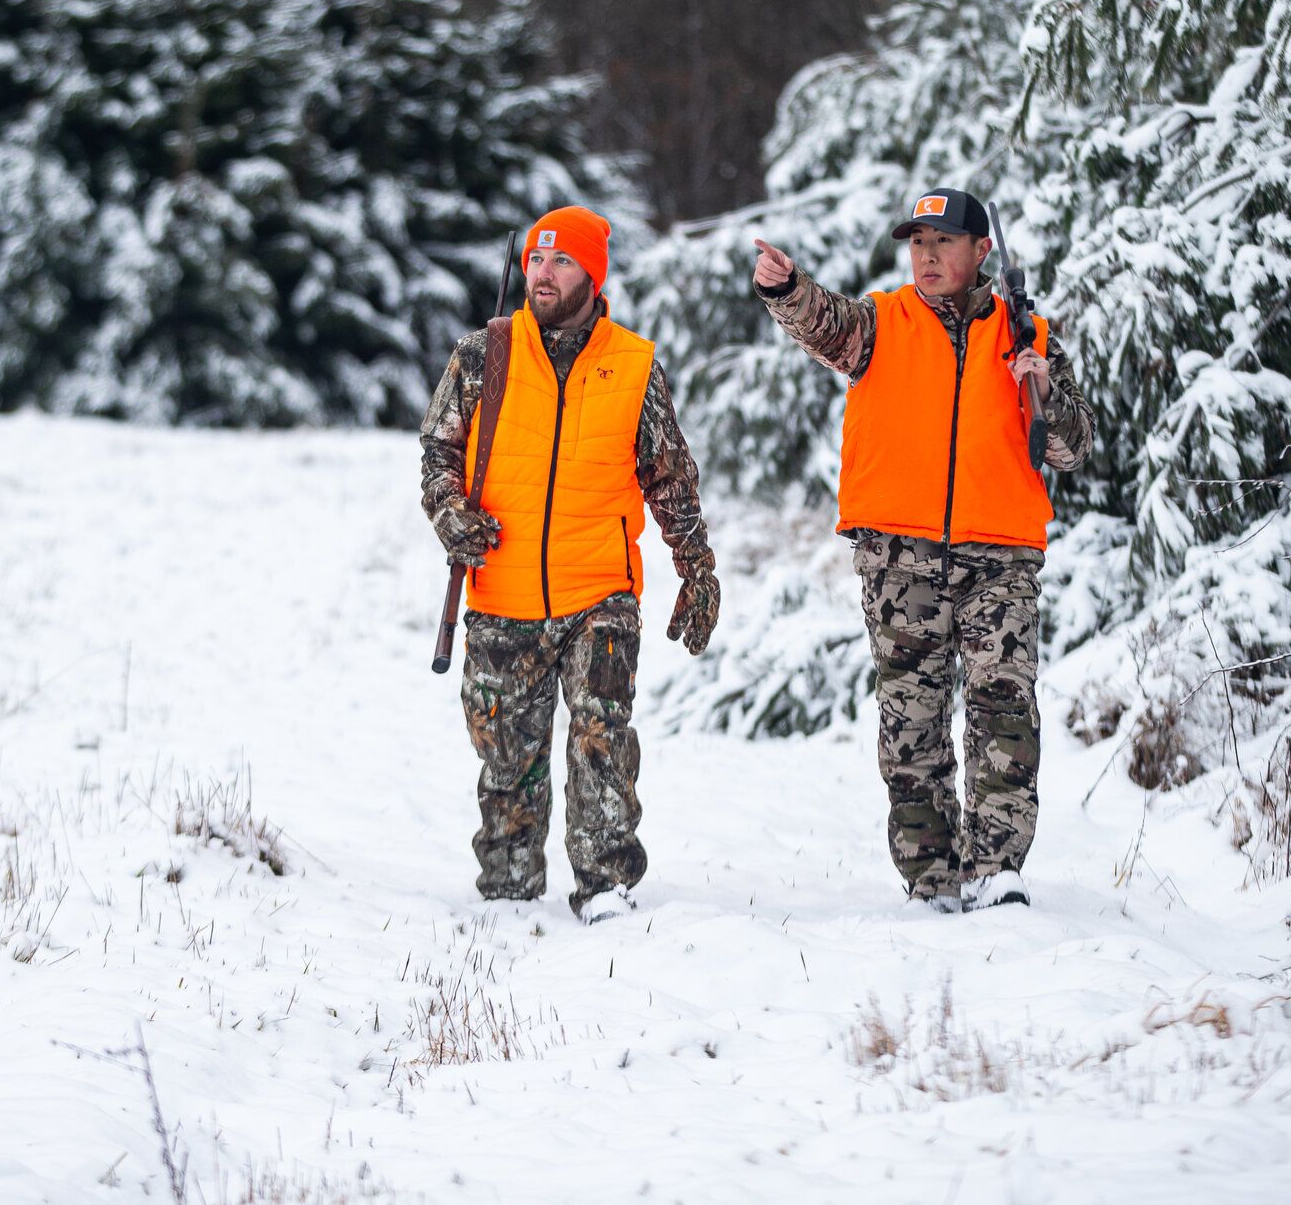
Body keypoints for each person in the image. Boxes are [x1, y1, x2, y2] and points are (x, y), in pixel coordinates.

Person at [751, 188, 1092, 913]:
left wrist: (1043, 391)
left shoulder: (1025, 332)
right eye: (917, 243)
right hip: (899, 559)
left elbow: (1069, 448)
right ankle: (930, 875)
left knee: (1002, 704)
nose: (928, 256)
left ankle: (996, 868)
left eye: (943, 242)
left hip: (1000, 554)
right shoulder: (883, 322)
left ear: (980, 253)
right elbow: (825, 322)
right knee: (913, 723)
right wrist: (788, 289)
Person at [420, 206, 719, 923]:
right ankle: (509, 888)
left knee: (599, 742)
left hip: (600, 593)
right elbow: (438, 454)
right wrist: (450, 515)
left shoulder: (634, 364)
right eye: (535, 259)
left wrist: (696, 568)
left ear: (592, 273)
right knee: (506, 756)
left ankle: (607, 886)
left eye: (560, 261)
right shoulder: (481, 354)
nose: (543, 273)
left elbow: (671, 478)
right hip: (502, 590)